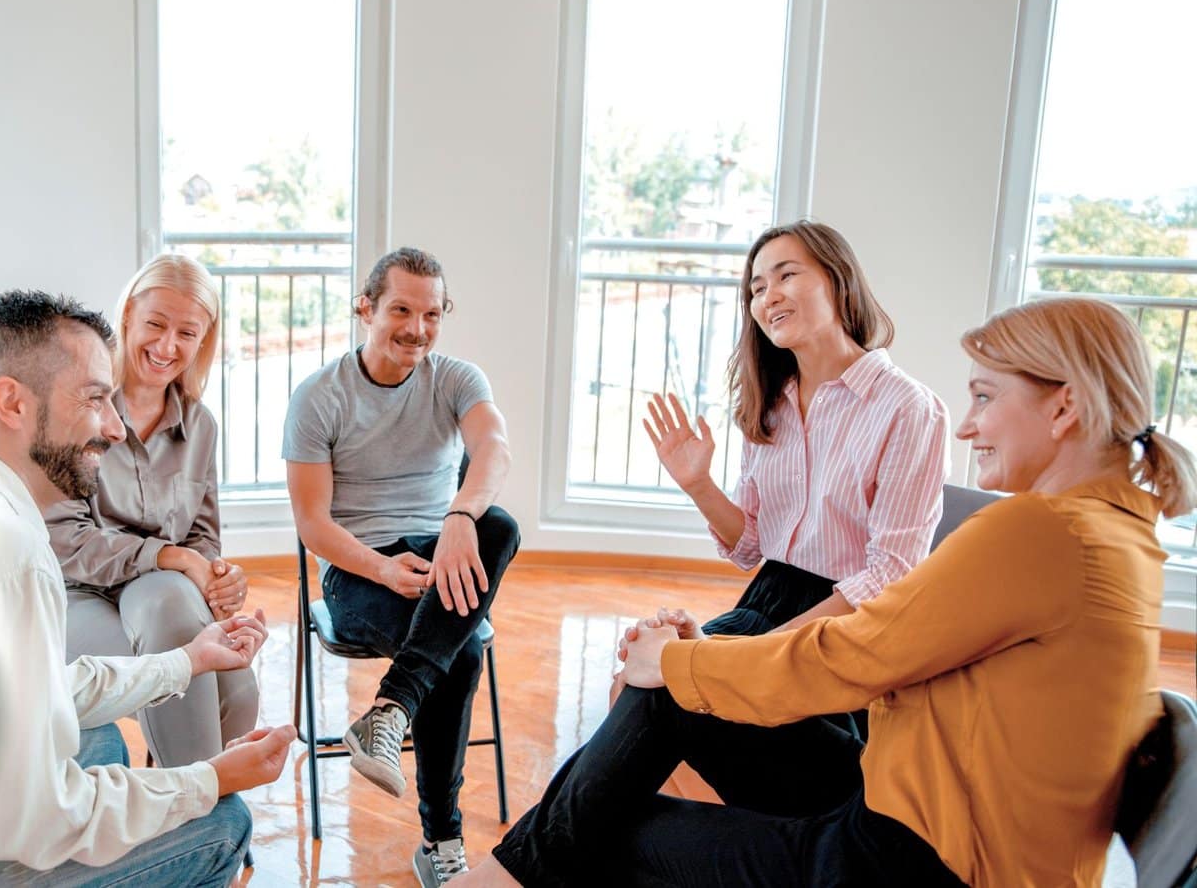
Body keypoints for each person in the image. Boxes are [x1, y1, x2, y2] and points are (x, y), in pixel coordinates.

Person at [460, 295, 1192, 887]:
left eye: (985, 396)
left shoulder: (1044, 533)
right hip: (912, 801)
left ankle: (493, 880)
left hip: (920, 862)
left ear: (1063, 408)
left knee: (603, 827)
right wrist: (694, 662)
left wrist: (681, 662)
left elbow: (858, 653)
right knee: (650, 724)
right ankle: (498, 879)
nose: (968, 425)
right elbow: (874, 646)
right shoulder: (1114, 533)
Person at [0, 290, 293, 887]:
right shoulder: (12, 555)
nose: (113, 427)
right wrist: (208, 781)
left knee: (96, 734)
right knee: (224, 824)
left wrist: (187, 661)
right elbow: (31, 826)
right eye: (93, 399)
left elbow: (44, 689)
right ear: (11, 402)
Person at [627, 221, 949, 741]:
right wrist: (699, 486)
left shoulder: (909, 408)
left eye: (786, 275)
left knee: (657, 695)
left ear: (839, 280)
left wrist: (758, 654)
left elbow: (890, 574)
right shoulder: (771, 408)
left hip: (846, 631)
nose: (767, 296)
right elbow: (752, 547)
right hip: (765, 601)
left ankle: (543, 828)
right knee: (636, 685)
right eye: (756, 288)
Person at [284, 247, 519, 886]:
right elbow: (314, 527)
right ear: (366, 308)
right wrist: (384, 572)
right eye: (402, 310)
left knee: (499, 523)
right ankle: (440, 840)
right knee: (462, 654)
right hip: (359, 569)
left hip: (443, 552)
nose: (418, 328)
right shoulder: (318, 398)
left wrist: (460, 519)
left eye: (432, 313)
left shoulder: (457, 378)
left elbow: (494, 449)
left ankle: (390, 710)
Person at [45, 254, 259, 768]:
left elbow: (203, 537)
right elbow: (68, 542)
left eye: (187, 333)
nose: (167, 347)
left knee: (240, 695)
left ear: (202, 341)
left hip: (166, 596)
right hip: (81, 595)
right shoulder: (78, 407)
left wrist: (216, 576)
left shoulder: (200, 426)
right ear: (127, 319)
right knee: (173, 622)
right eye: (156, 324)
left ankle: (192, 807)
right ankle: (196, 814)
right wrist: (175, 560)